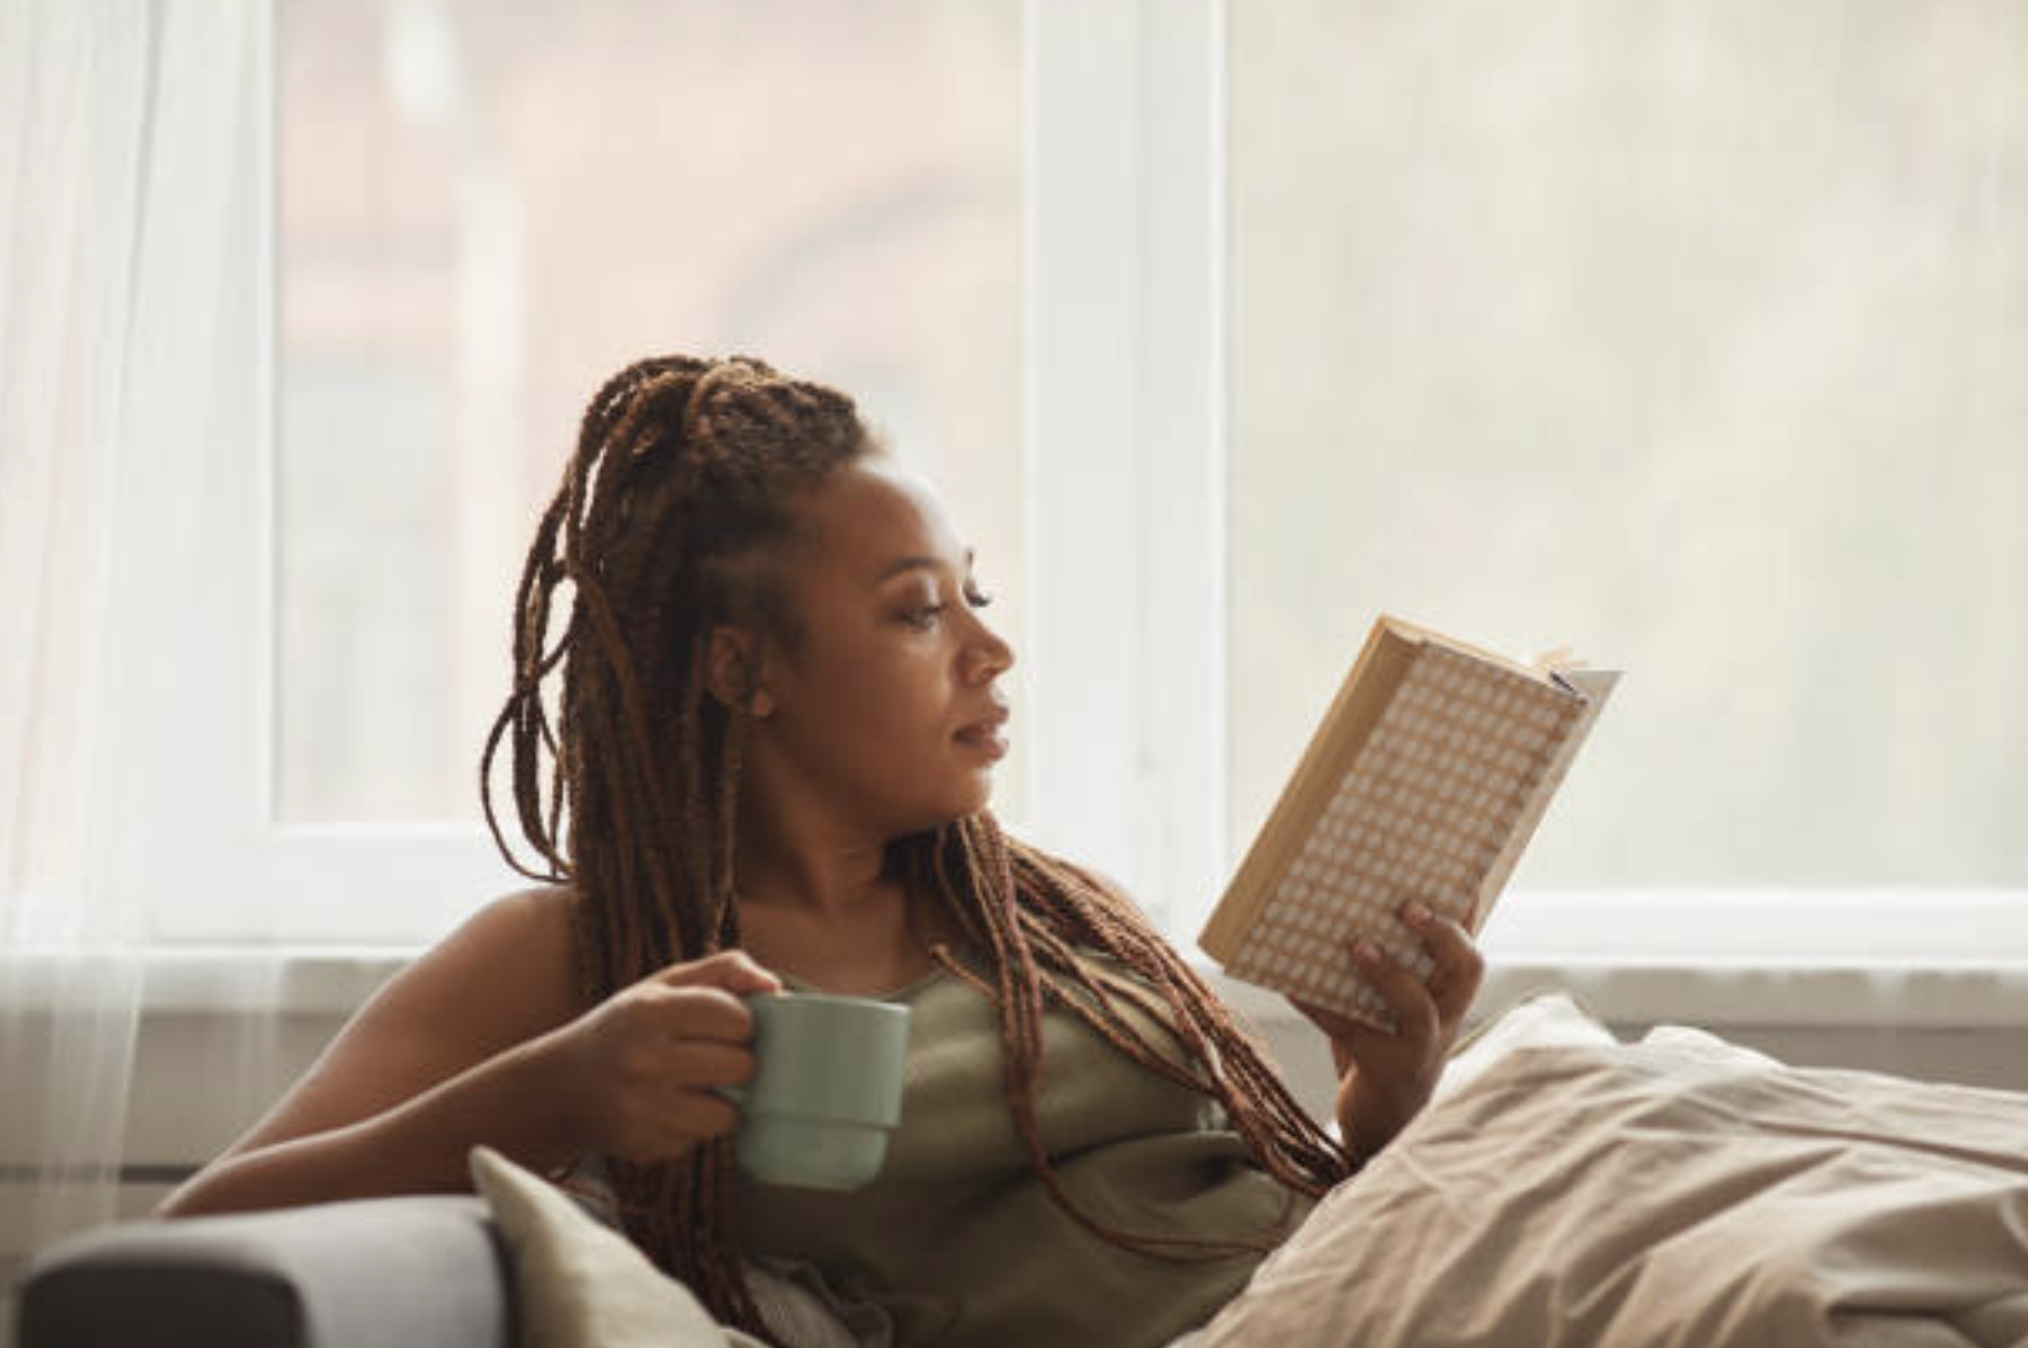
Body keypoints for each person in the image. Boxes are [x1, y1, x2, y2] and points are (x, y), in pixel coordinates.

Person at [160, 354, 1486, 1347]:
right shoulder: (587, 955)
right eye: (917, 612)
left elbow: (1258, 1212)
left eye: (976, 593)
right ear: (746, 670)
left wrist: (1383, 1104)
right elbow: (192, 1243)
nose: (991, 648)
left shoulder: (1062, 915)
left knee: (1580, 1096)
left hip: (1361, 1298)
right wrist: (553, 1096)